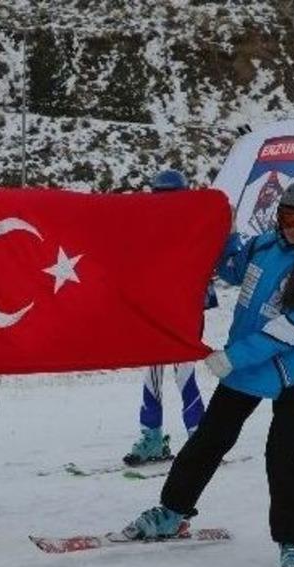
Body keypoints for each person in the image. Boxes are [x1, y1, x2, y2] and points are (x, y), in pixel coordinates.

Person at [122, 179, 294, 567]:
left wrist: (232, 357)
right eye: (288, 216)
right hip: (245, 368)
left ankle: (291, 540)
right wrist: (219, 224)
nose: (293, 227)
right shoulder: (262, 247)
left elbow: (291, 329)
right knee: (208, 441)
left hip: (289, 373)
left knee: (283, 457)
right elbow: (227, 267)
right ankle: (173, 511)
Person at [123, 169, 218, 466]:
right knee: (151, 374)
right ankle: (151, 436)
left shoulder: (195, 228)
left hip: (184, 315)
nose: (166, 203)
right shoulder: (146, 230)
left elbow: (205, 270)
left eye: (172, 197)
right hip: (156, 314)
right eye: (160, 197)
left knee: (183, 374)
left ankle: (199, 438)